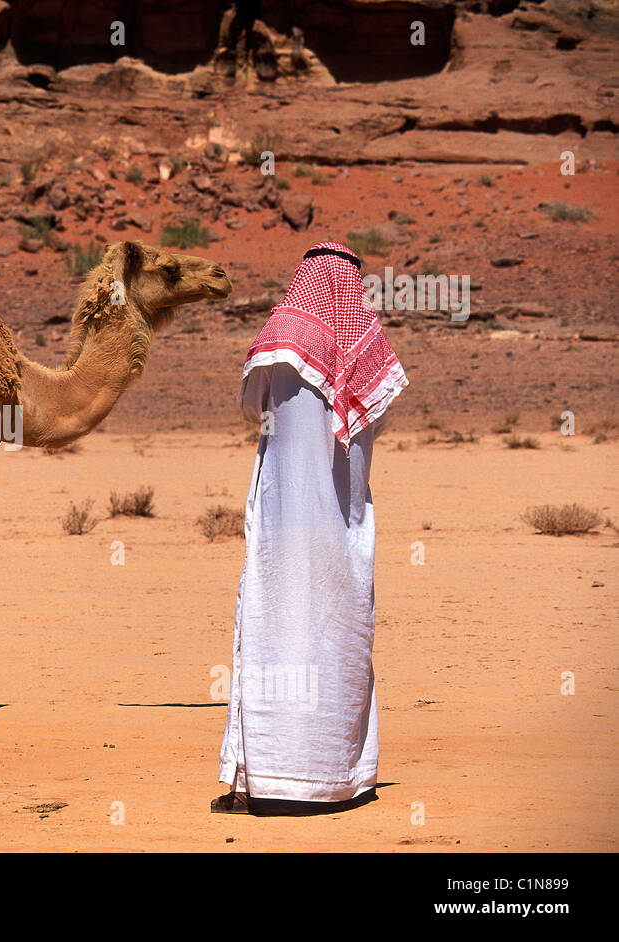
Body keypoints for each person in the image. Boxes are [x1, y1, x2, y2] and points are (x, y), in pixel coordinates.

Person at [213, 241, 408, 815]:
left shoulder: (280, 343)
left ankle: (275, 784)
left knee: (278, 632)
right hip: (342, 531)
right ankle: (340, 779)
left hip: (285, 523)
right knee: (338, 638)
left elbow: (251, 407)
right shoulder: (368, 355)